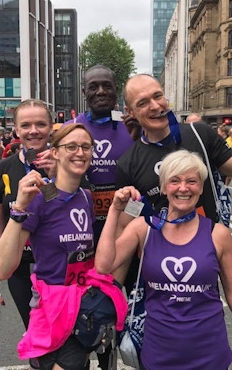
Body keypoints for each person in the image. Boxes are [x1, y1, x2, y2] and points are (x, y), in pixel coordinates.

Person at [95, 150, 232, 370]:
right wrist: (115, 210)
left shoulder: (218, 235)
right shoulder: (144, 229)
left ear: (201, 187)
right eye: (174, 181)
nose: (183, 188)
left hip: (209, 356)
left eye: (192, 181)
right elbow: (103, 266)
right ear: (163, 187)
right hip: (158, 355)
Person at [115, 73, 232, 290]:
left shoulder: (200, 134)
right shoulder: (128, 164)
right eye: (143, 103)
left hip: (203, 268)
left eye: (158, 96)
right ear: (130, 112)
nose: (156, 106)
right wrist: (112, 293)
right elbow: (125, 227)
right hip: (157, 277)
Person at [0, 124, 97, 370]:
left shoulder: (86, 197)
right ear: (55, 153)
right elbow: (2, 269)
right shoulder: (38, 198)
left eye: (86, 147)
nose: (80, 152)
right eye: (71, 146)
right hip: (51, 312)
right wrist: (19, 208)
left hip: (82, 309)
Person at [64, 64, 136, 370]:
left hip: (121, 228)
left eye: (107, 86)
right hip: (81, 232)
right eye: (94, 87)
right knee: (82, 307)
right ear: (84, 92)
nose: (101, 92)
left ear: (116, 90)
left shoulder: (131, 128)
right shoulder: (71, 130)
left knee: (113, 302)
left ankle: (110, 361)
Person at [0, 99, 55, 369]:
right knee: (36, 338)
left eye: (40, 124)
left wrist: (55, 173)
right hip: (21, 271)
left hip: (60, 270)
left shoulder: (67, 164)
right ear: (16, 130)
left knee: (67, 342)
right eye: (26, 125)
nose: (33, 130)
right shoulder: (1, 170)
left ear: (51, 128)